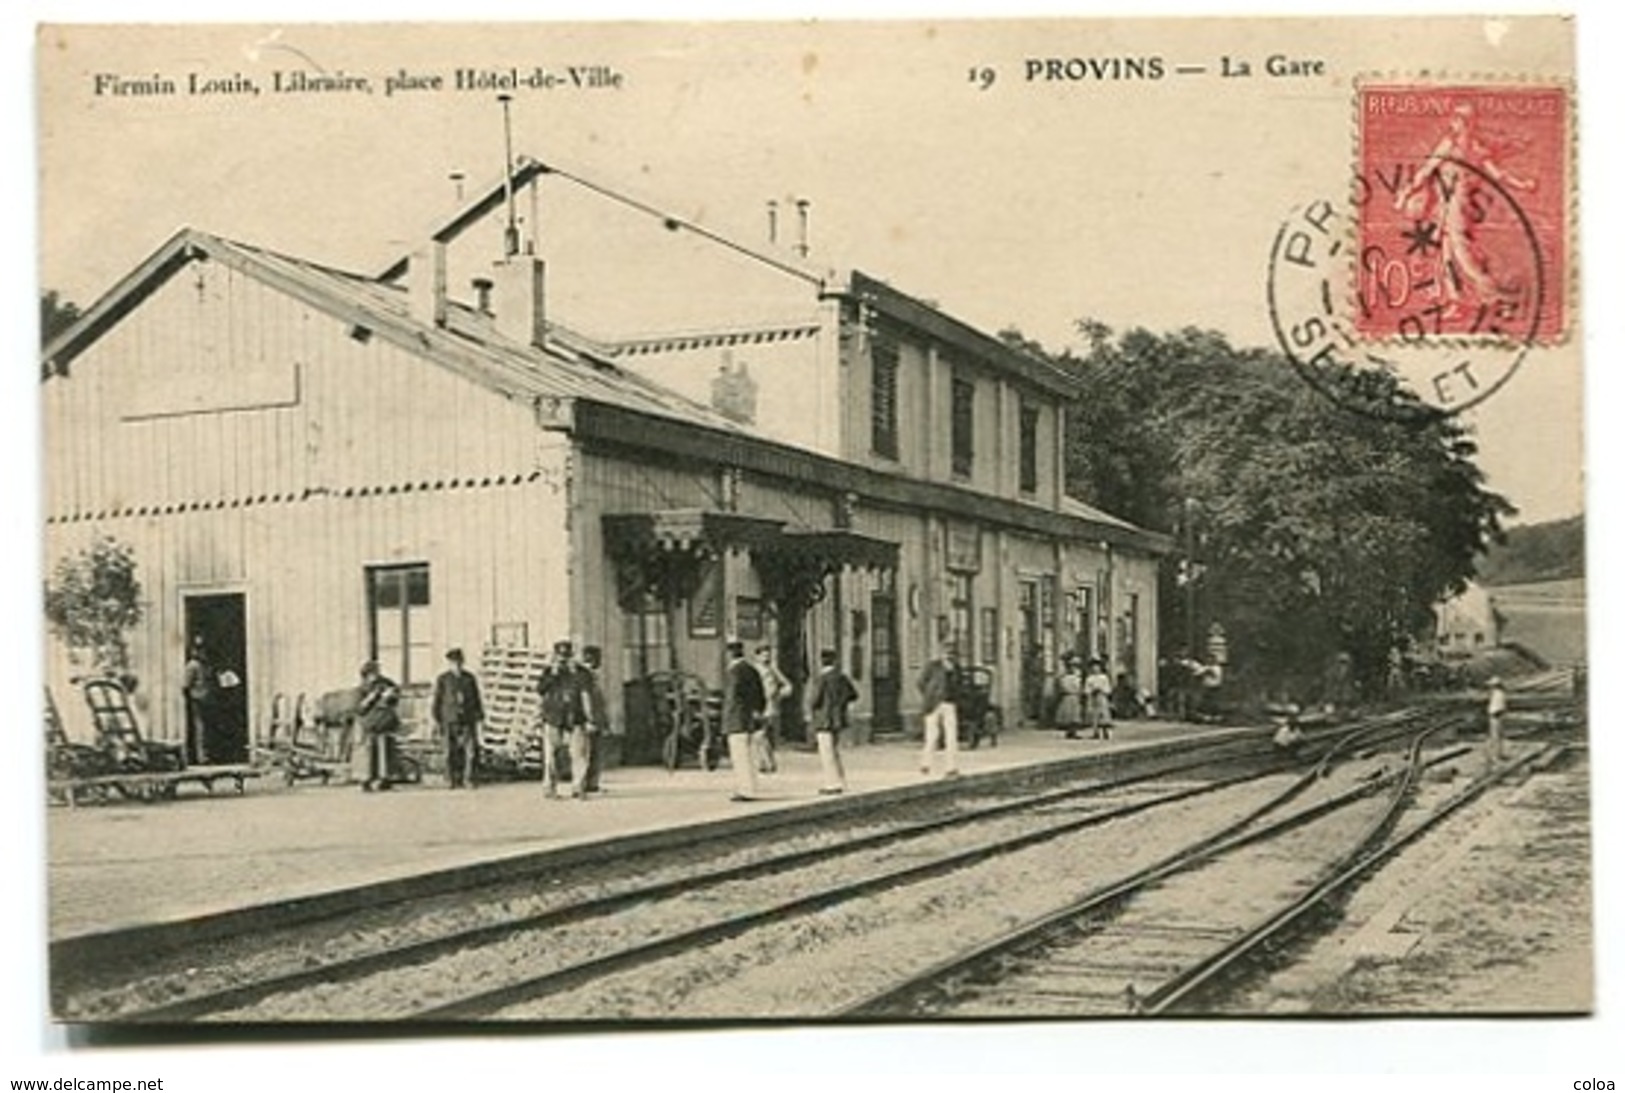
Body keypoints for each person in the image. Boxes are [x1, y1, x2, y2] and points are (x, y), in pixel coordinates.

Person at [537, 640, 593, 800]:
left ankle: (578, 787)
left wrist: (590, 718)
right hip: (553, 717)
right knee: (551, 755)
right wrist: (552, 675)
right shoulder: (549, 672)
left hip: (576, 718)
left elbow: (586, 696)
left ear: (572, 656)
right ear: (555, 656)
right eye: (560, 657)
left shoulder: (581, 673)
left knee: (579, 754)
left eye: (566, 657)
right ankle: (549, 788)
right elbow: (540, 690)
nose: (563, 660)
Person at [432, 647, 484, 789]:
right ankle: (451, 779)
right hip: (449, 719)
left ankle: (469, 779)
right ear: (449, 664)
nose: (457, 665)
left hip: (467, 719)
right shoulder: (443, 679)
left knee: (471, 751)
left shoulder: (469, 678)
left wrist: (479, 716)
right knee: (449, 752)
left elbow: (476, 698)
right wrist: (436, 719)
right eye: (454, 663)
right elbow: (437, 699)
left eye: (459, 662)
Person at [807, 647, 857, 794]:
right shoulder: (841, 677)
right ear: (835, 661)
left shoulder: (821, 679)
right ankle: (841, 781)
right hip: (838, 719)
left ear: (821, 662)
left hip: (824, 720)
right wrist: (841, 705)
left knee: (826, 753)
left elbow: (814, 700)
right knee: (834, 752)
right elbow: (853, 695)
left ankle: (832, 784)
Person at [722, 640, 765, 801]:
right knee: (749, 756)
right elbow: (760, 696)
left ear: (729, 654)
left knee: (740, 757)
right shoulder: (752, 670)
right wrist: (757, 712)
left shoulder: (734, 672)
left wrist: (726, 718)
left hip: (737, 719)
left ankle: (744, 790)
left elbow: (732, 698)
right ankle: (751, 787)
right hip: (749, 719)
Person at [356, 660, 402, 792]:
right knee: (369, 751)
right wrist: (370, 698)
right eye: (372, 673)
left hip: (385, 721)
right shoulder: (362, 689)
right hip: (370, 723)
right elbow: (359, 708)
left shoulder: (387, 683)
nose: (375, 676)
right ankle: (367, 779)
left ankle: (385, 778)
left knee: (385, 749)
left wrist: (390, 695)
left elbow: (395, 697)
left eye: (376, 672)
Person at [917, 644, 961, 779]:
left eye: (952, 655)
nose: (950, 657)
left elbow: (958, 685)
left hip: (950, 704)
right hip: (933, 704)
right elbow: (920, 682)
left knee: (951, 737)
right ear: (942, 654)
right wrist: (929, 695)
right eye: (947, 654)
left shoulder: (956, 669)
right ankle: (926, 764)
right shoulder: (932, 666)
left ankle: (951, 767)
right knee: (931, 735)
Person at [752, 645, 789, 774]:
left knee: (762, 734)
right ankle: (765, 762)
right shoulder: (753, 670)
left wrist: (778, 695)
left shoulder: (773, 670)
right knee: (759, 736)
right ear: (757, 656)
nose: (766, 658)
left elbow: (788, 686)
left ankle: (767, 762)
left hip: (770, 706)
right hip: (756, 705)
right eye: (763, 655)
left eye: (768, 655)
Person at [182, 636, 217, 766]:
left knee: (204, 728)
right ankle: (202, 757)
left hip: (204, 698)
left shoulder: (203, 665)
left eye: (201, 649)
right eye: (198, 649)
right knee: (200, 728)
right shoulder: (194, 665)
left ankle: (204, 755)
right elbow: (186, 685)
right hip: (198, 699)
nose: (200, 652)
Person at [580, 645, 609, 794]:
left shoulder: (591, 675)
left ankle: (592, 783)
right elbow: (588, 699)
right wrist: (590, 719)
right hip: (590, 719)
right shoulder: (586, 676)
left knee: (594, 752)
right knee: (590, 752)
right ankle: (586, 783)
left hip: (595, 718)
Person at [1053, 653, 1084, 740]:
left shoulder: (1076, 676)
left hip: (1074, 695)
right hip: (1069, 695)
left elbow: (1078, 686)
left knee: (1074, 714)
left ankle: (1073, 731)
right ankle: (1069, 731)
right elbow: (1063, 685)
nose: (1072, 668)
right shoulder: (1065, 676)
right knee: (1069, 714)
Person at [1085, 658, 1113, 740]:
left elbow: (1108, 689)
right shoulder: (1089, 678)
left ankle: (1105, 731)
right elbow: (1087, 689)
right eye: (1093, 667)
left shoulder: (1104, 677)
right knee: (1094, 715)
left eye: (1097, 667)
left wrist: (1102, 690)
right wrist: (1091, 691)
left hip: (1102, 697)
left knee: (1104, 714)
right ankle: (1095, 732)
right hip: (1093, 698)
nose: (1095, 669)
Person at [1485, 675, 1508, 767]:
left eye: (1491, 685)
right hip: (1498, 716)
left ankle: (1495, 756)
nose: (1490, 687)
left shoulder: (1497, 694)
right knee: (1498, 737)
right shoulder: (1499, 693)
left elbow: (1497, 707)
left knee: (1495, 737)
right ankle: (1497, 755)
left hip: (1496, 716)